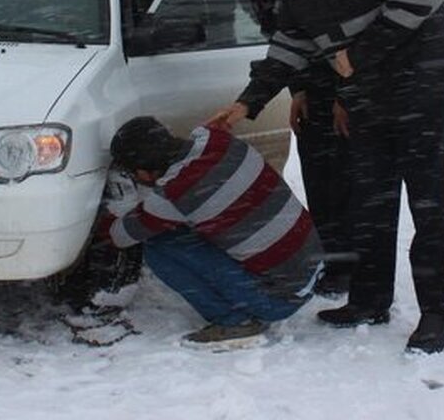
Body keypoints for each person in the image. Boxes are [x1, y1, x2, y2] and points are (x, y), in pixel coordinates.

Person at [207, 0, 444, 355]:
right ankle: (370, 300)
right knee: (370, 204)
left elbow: (414, 2)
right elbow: (288, 46)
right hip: (368, 97)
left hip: (419, 89)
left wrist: (358, 56)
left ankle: (436, 313)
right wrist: (247, 103)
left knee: (429, 206)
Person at [216, 0, 354, 297]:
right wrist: (298, 90)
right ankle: (333, 261)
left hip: (347, 87)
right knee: (319, 181)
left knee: (348, 184)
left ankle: (354, 269)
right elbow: (284, 47)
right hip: (309, 88)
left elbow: (341, 43)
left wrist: (347, 96)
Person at [103, 116, 324, 350]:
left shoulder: (175, 194)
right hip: (311, 267)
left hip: (279, 300)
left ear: (144, 173)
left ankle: (234, 323)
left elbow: (119, 236)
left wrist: (115, 207)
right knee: (197, 224)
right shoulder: (219, 141)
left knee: (158, 246)